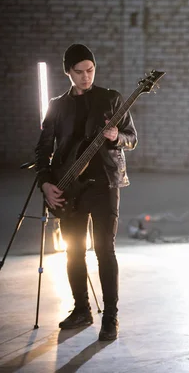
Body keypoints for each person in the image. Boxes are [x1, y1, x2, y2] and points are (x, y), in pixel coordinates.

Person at [35, 43, 137, 341]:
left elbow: (132, 138)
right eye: (78, 72)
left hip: (105, 185)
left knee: (105, 251)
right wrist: (45, 183)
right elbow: (43, 149)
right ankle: (82, 309)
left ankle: (111, 316)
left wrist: (117, 136)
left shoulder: (111, 99)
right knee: (73, 252)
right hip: (69, 188)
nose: (85, 77)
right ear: (68, 72)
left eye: (90, 70)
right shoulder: (57, 105)